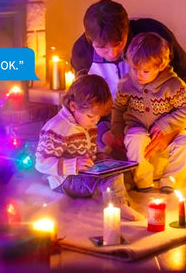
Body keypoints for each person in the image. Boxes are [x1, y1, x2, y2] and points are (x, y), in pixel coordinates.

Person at [71, 0, 186, 158]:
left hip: (168, 118)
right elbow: (83, 104)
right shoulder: (82, 53)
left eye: (119, 44)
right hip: (117, 122)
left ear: (127, 30)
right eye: (102, 49)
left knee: (168, 160)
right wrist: (105, 133)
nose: (113, 54)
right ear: (89, 39)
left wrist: (172, 130)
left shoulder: (156, 37)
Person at [35, 74, 143, 221]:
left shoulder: (88, 122)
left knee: (112, 165)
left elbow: (90, 150)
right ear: (73, 106)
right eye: (91, 116)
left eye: (98, 117)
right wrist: (73, 164)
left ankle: (112, 189)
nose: (95, 121)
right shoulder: (56, 128)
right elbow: (41, 163)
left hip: (86, 169)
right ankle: (117, 204)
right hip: (65, 179)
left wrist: (103, 158)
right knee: (109, 176)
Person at [112, 32, 186, 193]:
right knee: (135, 139)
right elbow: (118, 108)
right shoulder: (126, 83)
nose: (138, 75)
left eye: (145, 71)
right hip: (137, 128)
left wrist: (165, 124)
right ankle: (143, 181)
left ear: (160, 66)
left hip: (167, 134)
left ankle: (170, 180)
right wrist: (117, 132)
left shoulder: (173, 85)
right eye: (134, 68)